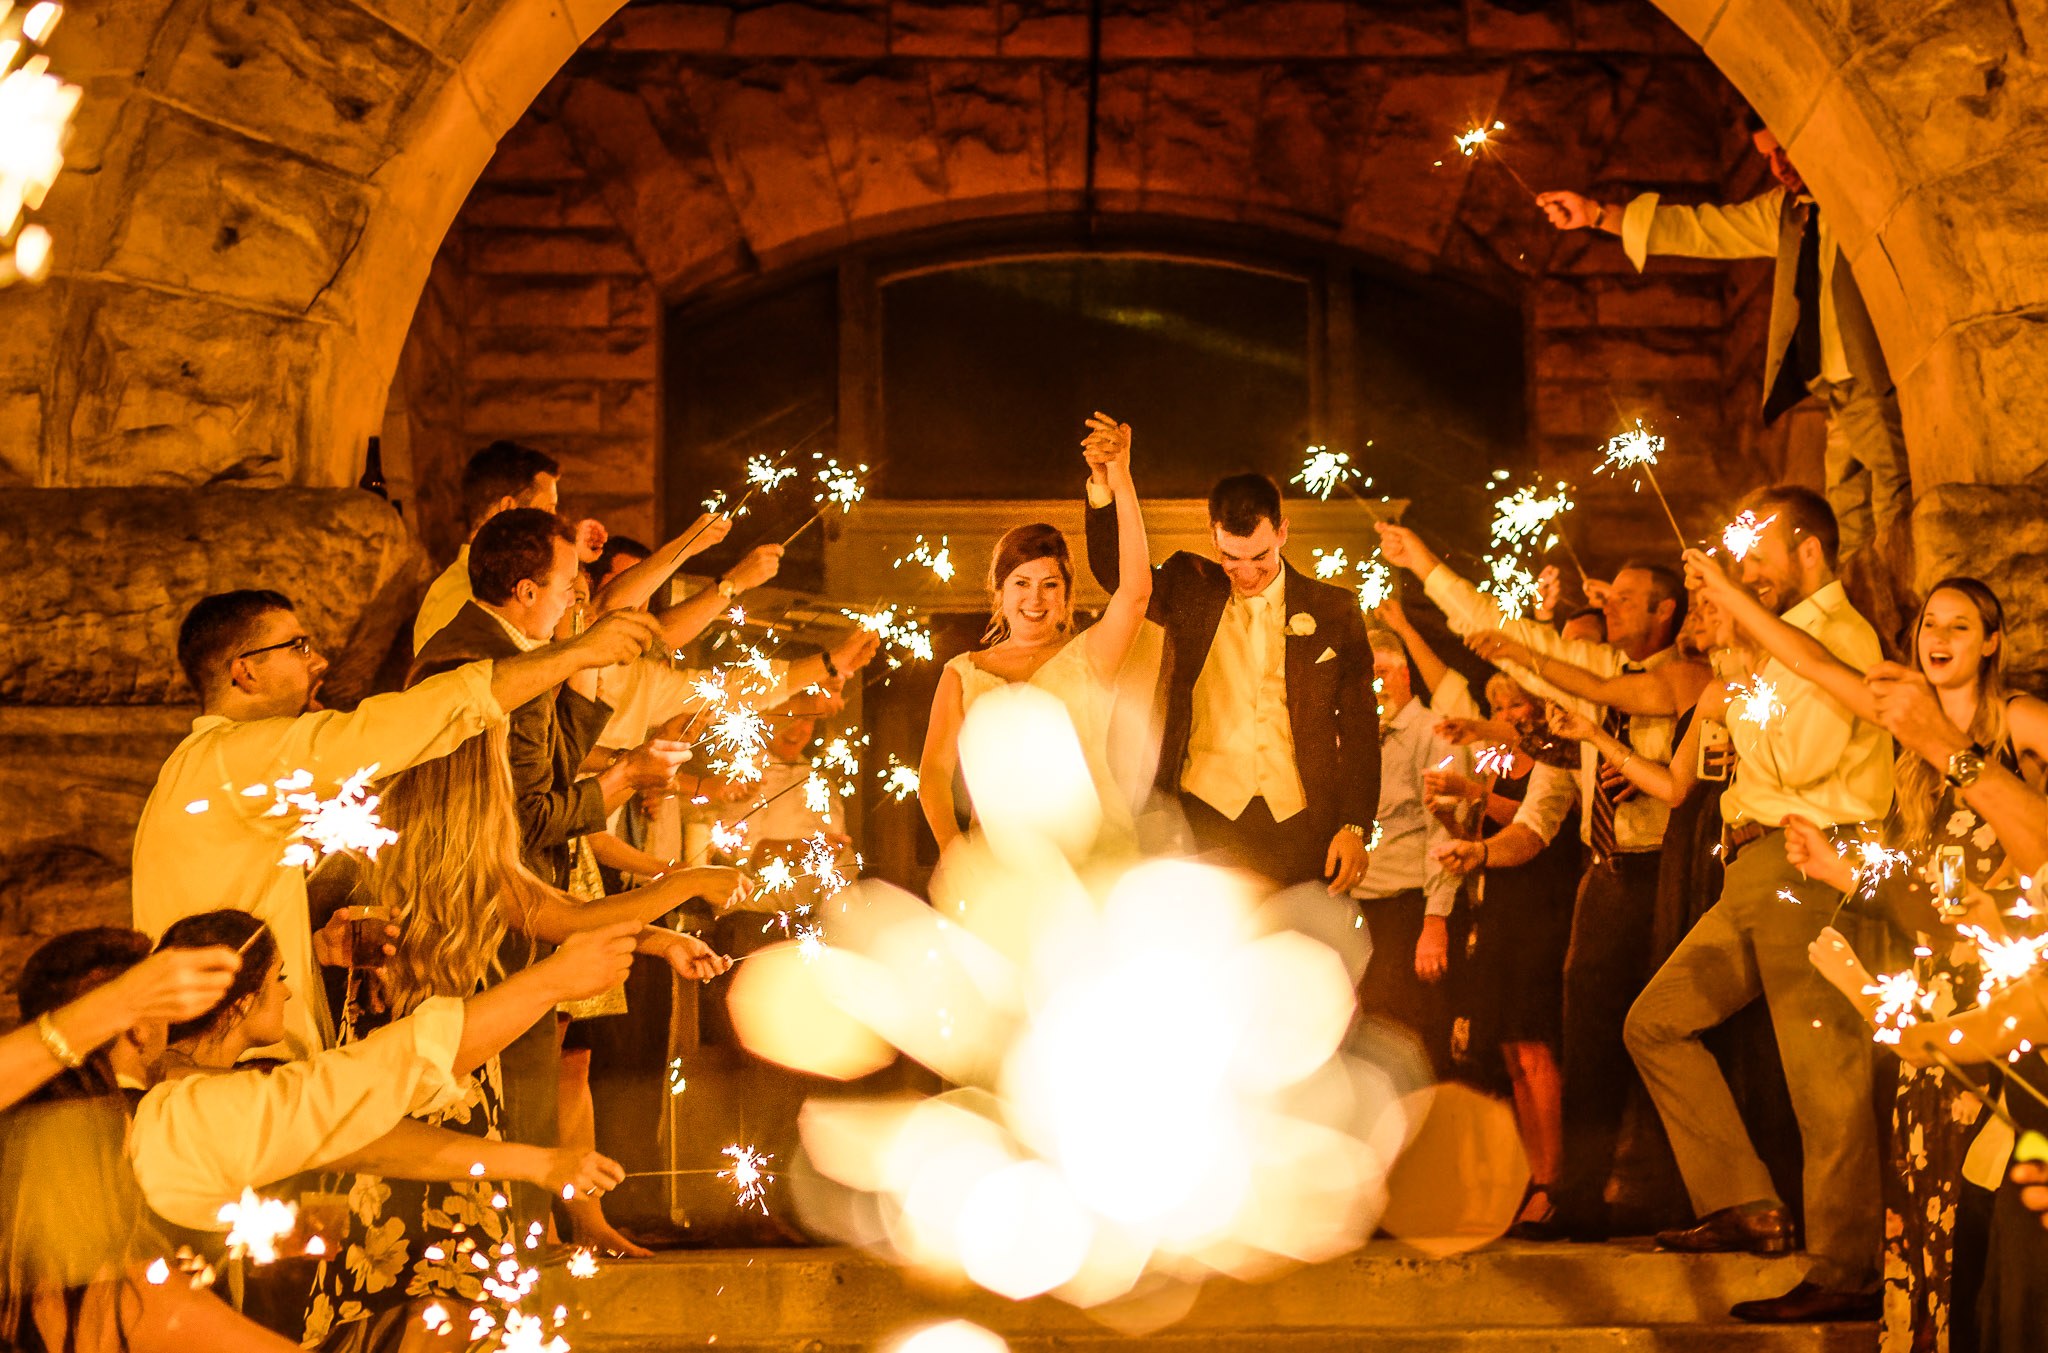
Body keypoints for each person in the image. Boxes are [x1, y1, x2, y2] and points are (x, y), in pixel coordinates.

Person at [1692, 563, 2048, 1349]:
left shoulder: (2019, 722)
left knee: (1981, 1194)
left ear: (1993, 642)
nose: (1939, 638)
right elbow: (1813, 663)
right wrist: (1732, 596)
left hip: (2012, 987)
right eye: (1929, 625)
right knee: (1923, 1183)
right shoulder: (1905, 733)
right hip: (1931, 982)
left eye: (1960, 625)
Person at [1, 920, 636, 1353]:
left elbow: (352, 1135)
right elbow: (349, 1090)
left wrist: (538, 1164)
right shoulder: (174, 1120)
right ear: (138, 1028)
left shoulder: (42, 1130)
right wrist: (551, 980)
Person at [132, 587, 665, 1054]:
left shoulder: (229, 766)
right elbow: (401, 725)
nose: (317, 662)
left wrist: (312, 948)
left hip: (246, 1052)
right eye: (297, 647)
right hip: (225, 1064)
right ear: (243, 669)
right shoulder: (230, 759)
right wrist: (575, 653)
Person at [1378, 522, 1697, 1241]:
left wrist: (1525, 662)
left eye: (1626, 600)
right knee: (1584, 1038)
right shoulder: (1591, 676)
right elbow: (1544, 804)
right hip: (1605, 872)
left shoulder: (1685, 675)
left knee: (1666, 1033)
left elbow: (1613, 705)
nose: (1610, 609)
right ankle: (1577, 1194)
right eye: (1607, 599)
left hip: (1671, 869)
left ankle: (1670, 1193)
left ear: (1665, 612)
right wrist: (1425, 557)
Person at [1622, 486, 1893, 1323]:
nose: (1744, 570)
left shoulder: (1838, 636)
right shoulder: (1779, 647)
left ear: (1809, 550)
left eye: (1757, 552)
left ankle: (1847, 1268)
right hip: (1752, 866)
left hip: (1811, 861)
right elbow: (1730, 766)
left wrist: (1741, 674)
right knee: (1655, 1021)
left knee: (1825, 1072)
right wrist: (1741, 675)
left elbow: (1804, 762)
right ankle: (1746, 1201)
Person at [1535, 112, 1907, 555]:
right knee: (1847, 528)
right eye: (1768, 157)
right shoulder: (1787, 213)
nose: (1779, 167)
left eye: (1785, 150)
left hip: (1871, 379)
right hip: (1832, 393)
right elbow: (1704, 229)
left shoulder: (1860, 196)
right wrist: (1599, 215)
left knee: (1894, 510)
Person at [1080, 433, 1380, 891]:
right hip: (1204, 814)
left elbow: (1360, 728)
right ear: (1212, 535)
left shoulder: (1335, 611)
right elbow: (1116, 575)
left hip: (1301, 823)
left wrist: (1354, 825)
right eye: (1229, 557)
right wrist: (1108, 485)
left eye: (1259, 557)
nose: (1245, 572)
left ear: (1282, 531)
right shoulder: (1190, 586)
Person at [920, 413, 1154, 856]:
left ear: (1066, 595)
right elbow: (932, 774)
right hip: (1004, 862)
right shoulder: (962, 673)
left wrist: (1121, 478)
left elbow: (1137, 592)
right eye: (1022, 584)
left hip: (1096, 854)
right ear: (1000, 591)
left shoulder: (1092, 656)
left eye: (1051, 585)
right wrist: (954, 853)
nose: (1036, 598)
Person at [1430, 674, 1582, 1233]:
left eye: (1515, 702)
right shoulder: (1495, 760)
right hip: (1497, 901)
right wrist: (1450, 812)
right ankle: (1532, 1176)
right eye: (1496, 705)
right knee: (1513, 1051)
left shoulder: (1557, 759)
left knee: (1537, 1044)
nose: (1507, 714)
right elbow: (1478, 826)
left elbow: (1530, 830)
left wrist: (1472, 799)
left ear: (1540, 707)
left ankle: (1554, 1182)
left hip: (1544, 899)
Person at [1348, 628, 1464, 1071]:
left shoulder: (1435, 733)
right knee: (1368, 1031)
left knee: (1412, 1033)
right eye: (1365, 675)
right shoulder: (1356, 734)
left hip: (1408, 906)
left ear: (1404, 675)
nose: (1374, 685)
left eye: (1381, 673)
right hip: (1360, 902)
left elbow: (1443, 832)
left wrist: (1434, 921)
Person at [414, 441, 615, 653]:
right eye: (547, 510)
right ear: (508, 509)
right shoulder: (462, 595)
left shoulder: (498, 581)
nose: (553, 521)